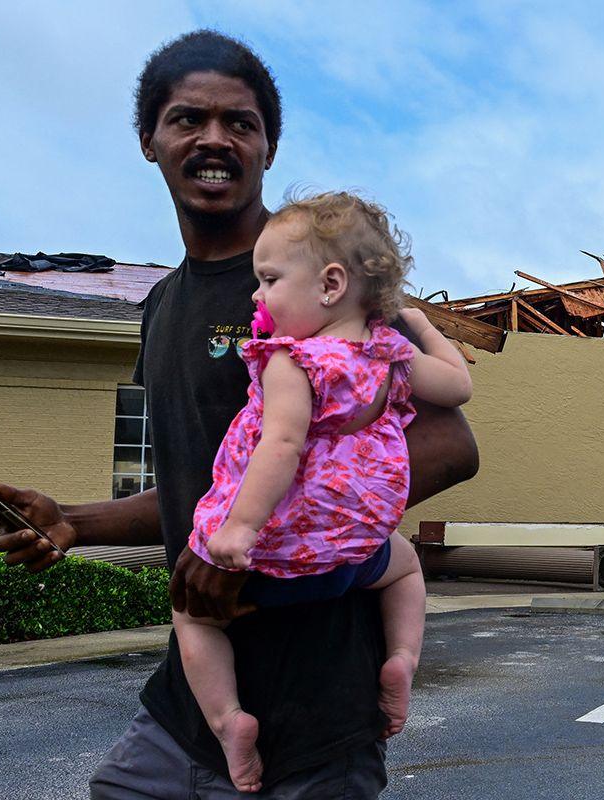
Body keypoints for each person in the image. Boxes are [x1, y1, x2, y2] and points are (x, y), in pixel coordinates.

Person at [0, 30, 479, 799]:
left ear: (268, 147)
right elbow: (199, 482)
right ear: (149, 139)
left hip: (317, 709)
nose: (215, 138)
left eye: (240, 123)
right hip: (193, 707)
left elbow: (450, 443)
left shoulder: (323, 299)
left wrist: (274, 538)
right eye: (188, 119)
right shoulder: (161, 308)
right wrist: (75, 521)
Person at [176, 190, 472, 793]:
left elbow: (279, 447)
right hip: (356, 556)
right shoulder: (390, 358)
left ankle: (229, 721)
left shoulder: (293, 361)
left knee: (190, 614)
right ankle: (402, 660)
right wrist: (416, 322)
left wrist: (239, 530)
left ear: (331, 284)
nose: (256, 296)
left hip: (274, 560)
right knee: (407, 568)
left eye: (269, 279)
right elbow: (460, 385)